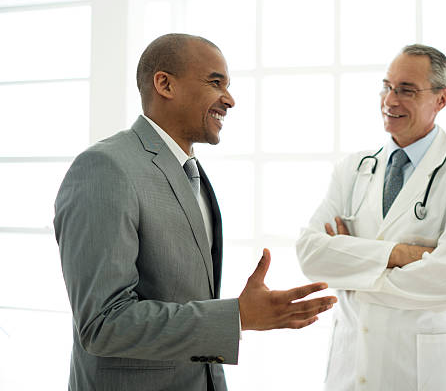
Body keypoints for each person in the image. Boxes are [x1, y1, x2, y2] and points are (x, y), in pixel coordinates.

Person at [54, 33, 337, 391]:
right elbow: (103, 323)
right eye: (215, 83)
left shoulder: (192, 171)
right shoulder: (104, 168)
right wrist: (237, 316)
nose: (229, 99)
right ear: (165, 84)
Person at [296, 44, 446, 390]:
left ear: (441, 99)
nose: (390, 100)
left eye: (406, 90)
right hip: (349, 371)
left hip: (422, 376)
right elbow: (310, 255)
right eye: (386, 87)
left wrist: (350, 266)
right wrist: (400, 255)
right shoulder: (352, 169)